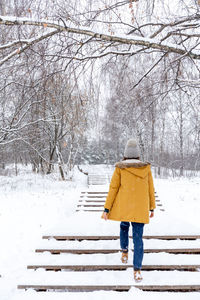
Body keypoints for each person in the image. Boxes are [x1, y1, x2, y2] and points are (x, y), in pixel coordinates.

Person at [102, 138, 156, 282]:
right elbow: (150, 189)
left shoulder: (120, 168)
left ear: (125, 154)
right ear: (138, 154)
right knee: (138, 238)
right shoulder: (145, 168)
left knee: (124, 227)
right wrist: (152, 207)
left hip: (124, 207)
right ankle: (137, 269)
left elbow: (113, 188)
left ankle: (124, 252)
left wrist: (106, 208)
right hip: (139, 208)